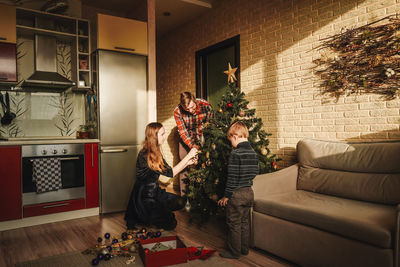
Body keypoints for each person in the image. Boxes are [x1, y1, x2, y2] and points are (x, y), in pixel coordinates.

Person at [124, 122, 198, 231]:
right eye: (162, 134)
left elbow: (169, 170)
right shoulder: (146, 154)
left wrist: (188, 162)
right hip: (145, 198)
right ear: (154, 137)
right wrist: (188, 156)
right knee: (171, 223)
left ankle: (158, 214)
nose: (165, 136)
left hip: (156, 192)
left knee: (180, 202)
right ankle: (147, 217)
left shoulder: (155, 151)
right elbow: (171, 173)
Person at [217, 121, 259, 259]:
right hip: (249, 192)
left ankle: (234, 253)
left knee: (234, 223)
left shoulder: (236, 153)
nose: (231, 144)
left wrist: (226, 196)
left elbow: (232, 178)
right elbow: (255, 172)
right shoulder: (253, 152)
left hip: (237, 194)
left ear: (235, 137)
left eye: (231, 141)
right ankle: (244, 249)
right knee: (245, 222)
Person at [174, 92, 212, 195]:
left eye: (192, 107)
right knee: (184, 164)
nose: (191, 111)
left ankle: (201, 195)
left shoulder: (206, 105)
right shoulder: (177, 111)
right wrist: (192, 145)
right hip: (187, 139)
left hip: (203, 137)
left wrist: (203, 143)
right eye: (187, 109)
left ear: (194, 100)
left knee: (204, 163)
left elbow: (210, 124)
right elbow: (183, 132)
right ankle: (184, 196)